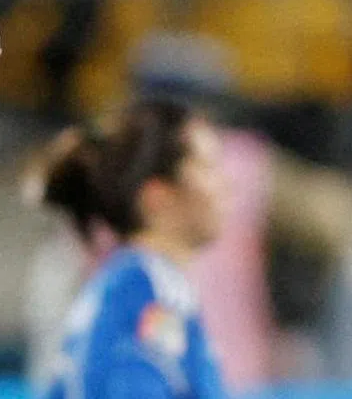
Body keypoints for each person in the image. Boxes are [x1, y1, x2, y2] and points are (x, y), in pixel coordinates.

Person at [32, 98, 228, 399]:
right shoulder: (144, 298)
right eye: (208, 167)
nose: (226, 184)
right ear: (157, 195)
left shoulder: (143, 287)